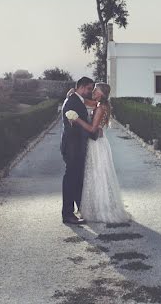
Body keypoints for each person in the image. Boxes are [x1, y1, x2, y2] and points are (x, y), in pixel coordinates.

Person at [71, 82, 130, 223]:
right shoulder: (99, 104)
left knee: (97, 174)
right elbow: (85, 101)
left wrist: (76, 119)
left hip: (96, 144)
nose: (93, 91)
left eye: (96, 90)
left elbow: (92, 129)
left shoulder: (100, 108)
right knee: (97, 173)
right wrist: (74, 93)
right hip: (99, 143)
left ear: (102, 93)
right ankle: (98, 206)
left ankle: (101, 210)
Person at [60, 77, 98, 225]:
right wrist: (94, 133)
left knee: (76, 180)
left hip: (75, 146)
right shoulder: (73, 102)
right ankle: (67, 214)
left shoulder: (75, 99)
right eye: (89, 88)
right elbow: (77, 127)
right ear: (81, 87)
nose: (91, 91)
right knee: (71, 180)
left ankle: (80, 210)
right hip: (72, 147)